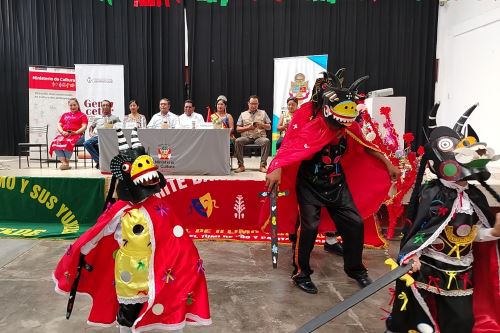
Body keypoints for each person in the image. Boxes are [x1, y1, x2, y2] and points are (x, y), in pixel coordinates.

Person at [53, 128, 211, 333]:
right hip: (129, 275)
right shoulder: (120, 210)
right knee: (127, 315)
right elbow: (96, 234)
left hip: (159, 272)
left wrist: (188, 264)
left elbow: (178, 240)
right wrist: (79, 253)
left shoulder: (160, 207)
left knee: (166, 305)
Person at [264, 72, 400, 294]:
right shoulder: (311, 127)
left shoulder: (349, 127)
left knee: (354, 222)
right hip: (309, 184)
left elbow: (366, 146)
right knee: (309, 227)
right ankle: (301, 273)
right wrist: (277, 167)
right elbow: (288, 148)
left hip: (337, 184)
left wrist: (388, 164)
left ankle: (356, 270)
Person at [386, 104, 500, 333]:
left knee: (461, 323)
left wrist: (493, 233)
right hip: (428, 271)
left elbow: (471, 234)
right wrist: (412, 255)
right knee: (420, 323)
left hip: (462, 274)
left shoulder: (474, 196)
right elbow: (418, 231)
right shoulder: (432, 194)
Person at [235, 95, 271, 173]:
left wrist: (262, 125)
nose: (253, 105)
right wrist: (248, 128)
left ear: (258, 104)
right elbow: (238, 129)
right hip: (247, 137)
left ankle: (263, 166)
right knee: (238, 141)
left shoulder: (263, 113)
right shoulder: (243, 114)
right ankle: (241, 165)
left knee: (266, 141)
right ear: (248, 103)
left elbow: (269, 127)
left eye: (255, 103)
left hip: (259, 137)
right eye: (252, 103)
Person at [49, 98, 88, 170]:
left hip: (77, 135)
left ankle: (66, 163)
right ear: (69, 106)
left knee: (68, 142)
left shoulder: (82, 115)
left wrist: (75, 132)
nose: (73, 107)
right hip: (65, 134)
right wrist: (62, 131)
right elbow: (59, 125)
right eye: (71, 105)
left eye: (74, 105)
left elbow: (84, 127)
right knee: (55, 142)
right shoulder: (65, 115)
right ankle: (65, 163)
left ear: (78, 105)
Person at [83, 100, 121, 169]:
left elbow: (120, 127)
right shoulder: (97, 117)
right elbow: (91, 127)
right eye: (103, 105)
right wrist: (91, 133)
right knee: (87, 143)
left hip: (109, 137)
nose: (105, 107)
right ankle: (100, 161)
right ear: (101, 107)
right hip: (98, 136)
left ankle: (101, 162)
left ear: (110, 107)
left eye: (107, 105)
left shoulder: (115, 118)